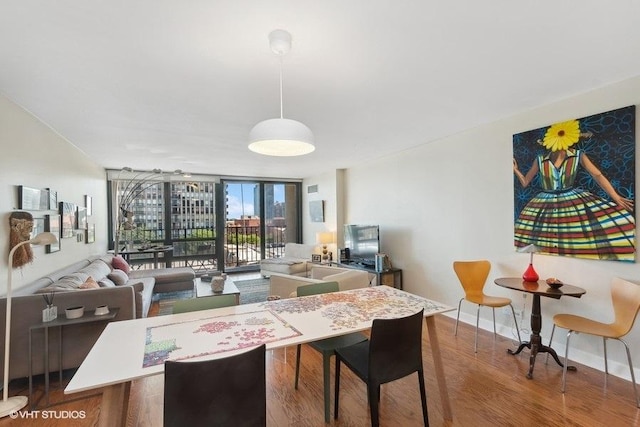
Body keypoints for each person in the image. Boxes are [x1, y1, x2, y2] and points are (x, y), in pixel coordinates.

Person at [513, 119, 635, 261]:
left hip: (571, 200)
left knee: (579, 236)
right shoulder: (540, 159)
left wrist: (616, 196)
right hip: (543, 203)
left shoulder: (578, 155)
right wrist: (515, 170)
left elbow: (597, 175)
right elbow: (525, 182)